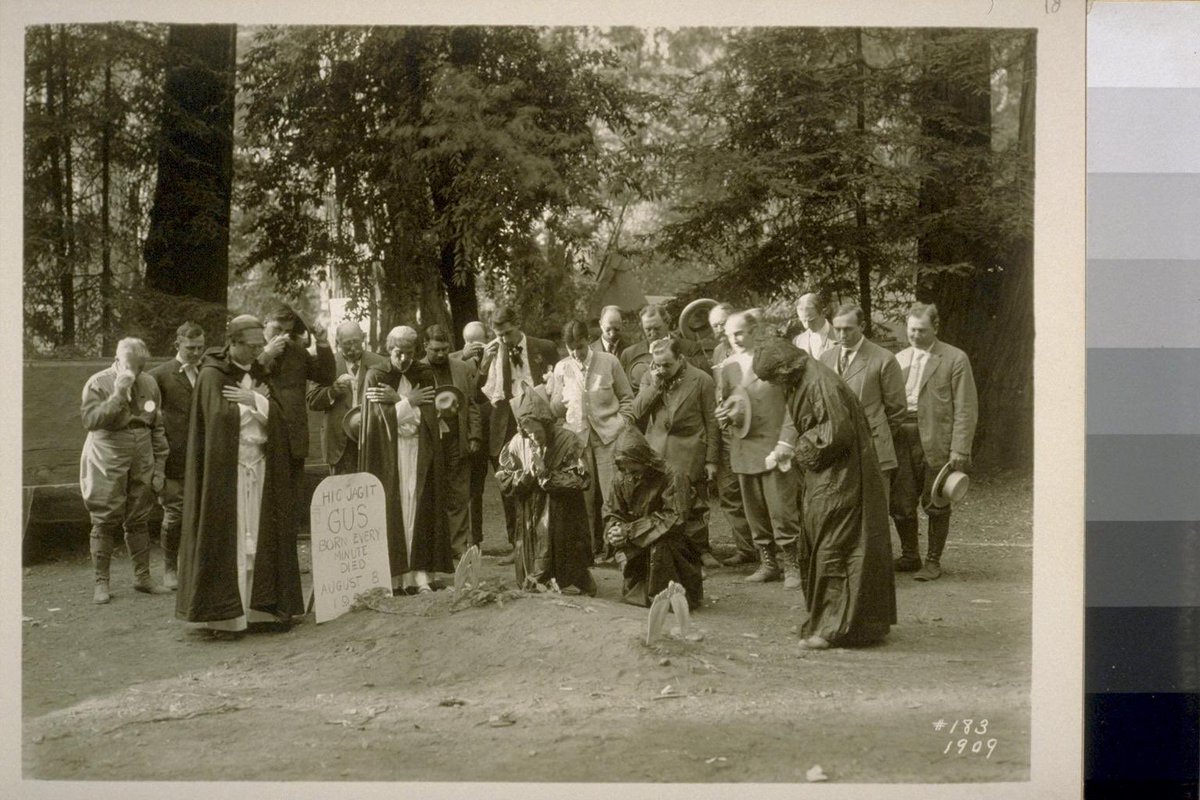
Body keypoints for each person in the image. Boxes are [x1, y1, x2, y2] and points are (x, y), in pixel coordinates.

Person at [755, 338, 896, 650]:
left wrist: (798, 451)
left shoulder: (819, 383)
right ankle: (842, 622)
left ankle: (833, 627)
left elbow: (834, 434)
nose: (776, 385)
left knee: (835, 545)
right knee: (829, 542)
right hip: (835, 474)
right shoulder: (805, 378)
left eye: (774, 378)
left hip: (843, 477)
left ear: (783, 368)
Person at [176, 316, 303, 637]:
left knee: (260, 539)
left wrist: (256, 401)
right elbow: (216, 420)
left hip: (259, 469)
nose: (260, 352)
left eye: (261, 345)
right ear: (233, 343)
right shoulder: (211, 375)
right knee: (230, 540)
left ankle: (260, 612)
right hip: (226, 475)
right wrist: (249, 407)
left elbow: (280, 416)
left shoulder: (260, 373)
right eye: (253, 346)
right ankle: (226, 618)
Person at [360, 326, 453, 594]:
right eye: (398, 353)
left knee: (420, 504)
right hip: (390, 454)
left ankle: (420, 575)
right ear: (389, 349)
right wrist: (409, 401)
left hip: (419, 449)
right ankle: (394, 579)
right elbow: (376, 421)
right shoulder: (376, 375)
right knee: (394, 506)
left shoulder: (423, 374)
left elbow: (429, 415)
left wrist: (398, 400)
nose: (403, 359)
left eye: (409, 353)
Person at [890, 303, 978, 581]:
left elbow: (966, 407)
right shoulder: (898, 358)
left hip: (937, 440)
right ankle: (910, 554)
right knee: (900, 502)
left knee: (936, 501)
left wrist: (960, 448)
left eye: (922, 330)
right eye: (911, 330)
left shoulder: (954, 358)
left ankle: (933, 561)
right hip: (900, 437)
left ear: (935, 328)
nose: (915, 335)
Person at [716, 312, 803, 588]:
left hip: (774, 444)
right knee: (753, 508)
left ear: (754, 330)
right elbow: (727, 404)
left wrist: (786, 441)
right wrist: (724, 415)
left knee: (781, 507)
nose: (734, 339)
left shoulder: (774, 358)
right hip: (743, 445)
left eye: (739, 333)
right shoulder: (726, 367)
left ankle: (793, 566)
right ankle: (768, 564)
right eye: (729, 335)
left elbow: (794, 404)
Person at [80, 337, 171, 604]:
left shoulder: (150, 383)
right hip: (108, 449)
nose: (136, 373)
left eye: (141, 367)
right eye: (132, 367)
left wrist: (160, 465)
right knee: (104, 515)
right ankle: (101, 583)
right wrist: (118, 394)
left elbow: (157, 425)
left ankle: (143, 579)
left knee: (139, 515)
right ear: (118, 360)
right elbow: (91, 421)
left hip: (142, 449)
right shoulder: (98, 383)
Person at [477, 306, 560, 562]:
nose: (503, 339)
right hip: (506, 427)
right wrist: (485, 364)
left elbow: (558, 384)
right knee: (510, 486)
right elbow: (479, 393)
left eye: (508, 333)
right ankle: (517, 544)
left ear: (518, 324)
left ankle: (546, 542)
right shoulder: (492, 351)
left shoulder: (543, 347)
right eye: (499, 334)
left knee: (543, 480)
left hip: (538, 424)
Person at [630, 337, 721, 569]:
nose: (662, 369)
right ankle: (664, 550)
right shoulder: (651, 379)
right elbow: (637, 411)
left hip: (691, 450)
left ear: (680, 359)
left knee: (694, 503)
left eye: (667, 365)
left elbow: (712, 422)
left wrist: (711, 460)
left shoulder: (702, 380)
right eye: (657, 364)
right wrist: (655, 385)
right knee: (660, 503)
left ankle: (701, 549)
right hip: (658, 450)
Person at [547, 319, 634, 559]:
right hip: (578, 441)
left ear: (589, 341)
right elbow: (556, 409)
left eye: (581, 347)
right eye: (571, 348)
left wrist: (622, 424)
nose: (576, 353)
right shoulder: (562, 368)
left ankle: (615, 549)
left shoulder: (609, 362)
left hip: (608, 438)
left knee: (611, 496)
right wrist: (551, 390)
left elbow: (627, 398)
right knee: (583, 497)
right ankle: (588, 550)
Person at [495, 388, 596, 595]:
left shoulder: (568, 440)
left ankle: (579, 579)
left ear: (547, 426)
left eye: (538, 433)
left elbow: (581, 478)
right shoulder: (517, 443)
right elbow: (503, 478)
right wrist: (527, 475)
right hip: (530, 510)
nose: (534, 437)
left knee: (562, 544)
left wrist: (546, 476)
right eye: (528, 434)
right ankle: (539, 578)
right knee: (529, 572)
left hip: (561, 507)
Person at [602, 424, 703, 610]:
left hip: (676, 540)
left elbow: (675, 519)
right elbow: (613, 511)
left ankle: (670, 596)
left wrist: (629, 531)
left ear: (646, 462)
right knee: (635, 538)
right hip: (640, 535)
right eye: (624, 470)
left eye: (634, 471)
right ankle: (642, 589)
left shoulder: (673, 475)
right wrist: (614, 529)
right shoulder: (621, 477)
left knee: (661, 542)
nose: (629, 476)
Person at [820, 303, 907, 510]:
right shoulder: (825, 358)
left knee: (873, 511)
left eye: (848, 328)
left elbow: (897, 409)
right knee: (841, 510)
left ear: (862, 326)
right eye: (837, 328)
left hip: (873, 448)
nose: (842, 334)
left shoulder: (883, 359)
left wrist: (872, 432)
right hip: (836, 449)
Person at [258, 305, 335, 527]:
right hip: (262, 437)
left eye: (287, 331)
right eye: (277, 329)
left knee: (289, 504)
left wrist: (322, 342)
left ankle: (287, 560)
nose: (282, 336)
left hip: (293, 439)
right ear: (265, 323)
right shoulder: (252, 350)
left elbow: (326, 376)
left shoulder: (297, 351)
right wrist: (266, 354)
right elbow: (244, 377)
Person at [148, 321, 205, 590]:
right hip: (174, 457)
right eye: (190, 347)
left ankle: (195, 566)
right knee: (175, 513)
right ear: (177, 345)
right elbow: (147, 407)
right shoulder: (159, 375)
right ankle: (170, 568)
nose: (195, 353)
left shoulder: (209, 371)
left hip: (204, 455)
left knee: (202, 513)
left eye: (200, 348)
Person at [422, 324, 483, 558]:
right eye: (435, 349)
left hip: (457, 442)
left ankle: (459, 550)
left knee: (459, 496)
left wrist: (474, 435)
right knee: (432, 497)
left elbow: (472, 405)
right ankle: (435, 553)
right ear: (425, 346)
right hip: (428, 445)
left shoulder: (461, 368)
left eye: (444, 349)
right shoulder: (417, 370)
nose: (440, 354)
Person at [707, 303, 756, 567]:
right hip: (728, 432)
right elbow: (719, 390)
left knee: (755, 492)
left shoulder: (755, 352)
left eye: (723, 324)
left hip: (754, 432)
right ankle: (745, 548)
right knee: (729, 493)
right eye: (715, 326)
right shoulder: (717, 352)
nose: (719, 331)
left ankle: (769, 548)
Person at [305, 320, 387, 474]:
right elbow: (312, 400)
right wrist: (332, 391)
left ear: (363, 337)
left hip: (372, 439)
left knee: (373, 489)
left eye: (356, 342)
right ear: (337, 342)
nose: (353, 348)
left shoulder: (380, 363)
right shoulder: (327, 364)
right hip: (339, 443)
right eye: (347, 344)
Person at [452, 320, 491, 550]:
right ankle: (473, 538)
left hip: (492, 425)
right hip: (468, 429)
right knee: (470, 486)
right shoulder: (457, 358)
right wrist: (464, 356)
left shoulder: (494, 354)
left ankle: (511, 538)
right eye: (469, 342)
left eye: (479, 341)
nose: (475, 346)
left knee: (490, 485)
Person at [619, 303, 709, 387]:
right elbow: (625, 390)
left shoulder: (690, 347)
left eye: (657, 328)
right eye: (648, 329)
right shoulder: (629, 354)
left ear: (667, 323)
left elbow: (705, 372)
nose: (653, 333)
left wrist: (672, 356)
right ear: (642, 327)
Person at [792, 293, 837, 361]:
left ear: (823, 313)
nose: (807, 327)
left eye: (811, 320)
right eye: (803, 321)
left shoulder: (841, 337)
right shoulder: (798, 341)